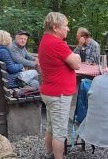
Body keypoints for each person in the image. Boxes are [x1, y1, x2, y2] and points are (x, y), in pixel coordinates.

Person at [38, 12, 81, 159]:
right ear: (55, 27)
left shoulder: (46, 40)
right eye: (66, 26)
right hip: (59, 94)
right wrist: (77, 57)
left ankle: (49, 155)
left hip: (50, 92)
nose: (68, 29)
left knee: (51, 128)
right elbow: (76, 64)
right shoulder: (57, 44)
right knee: (60, 132)